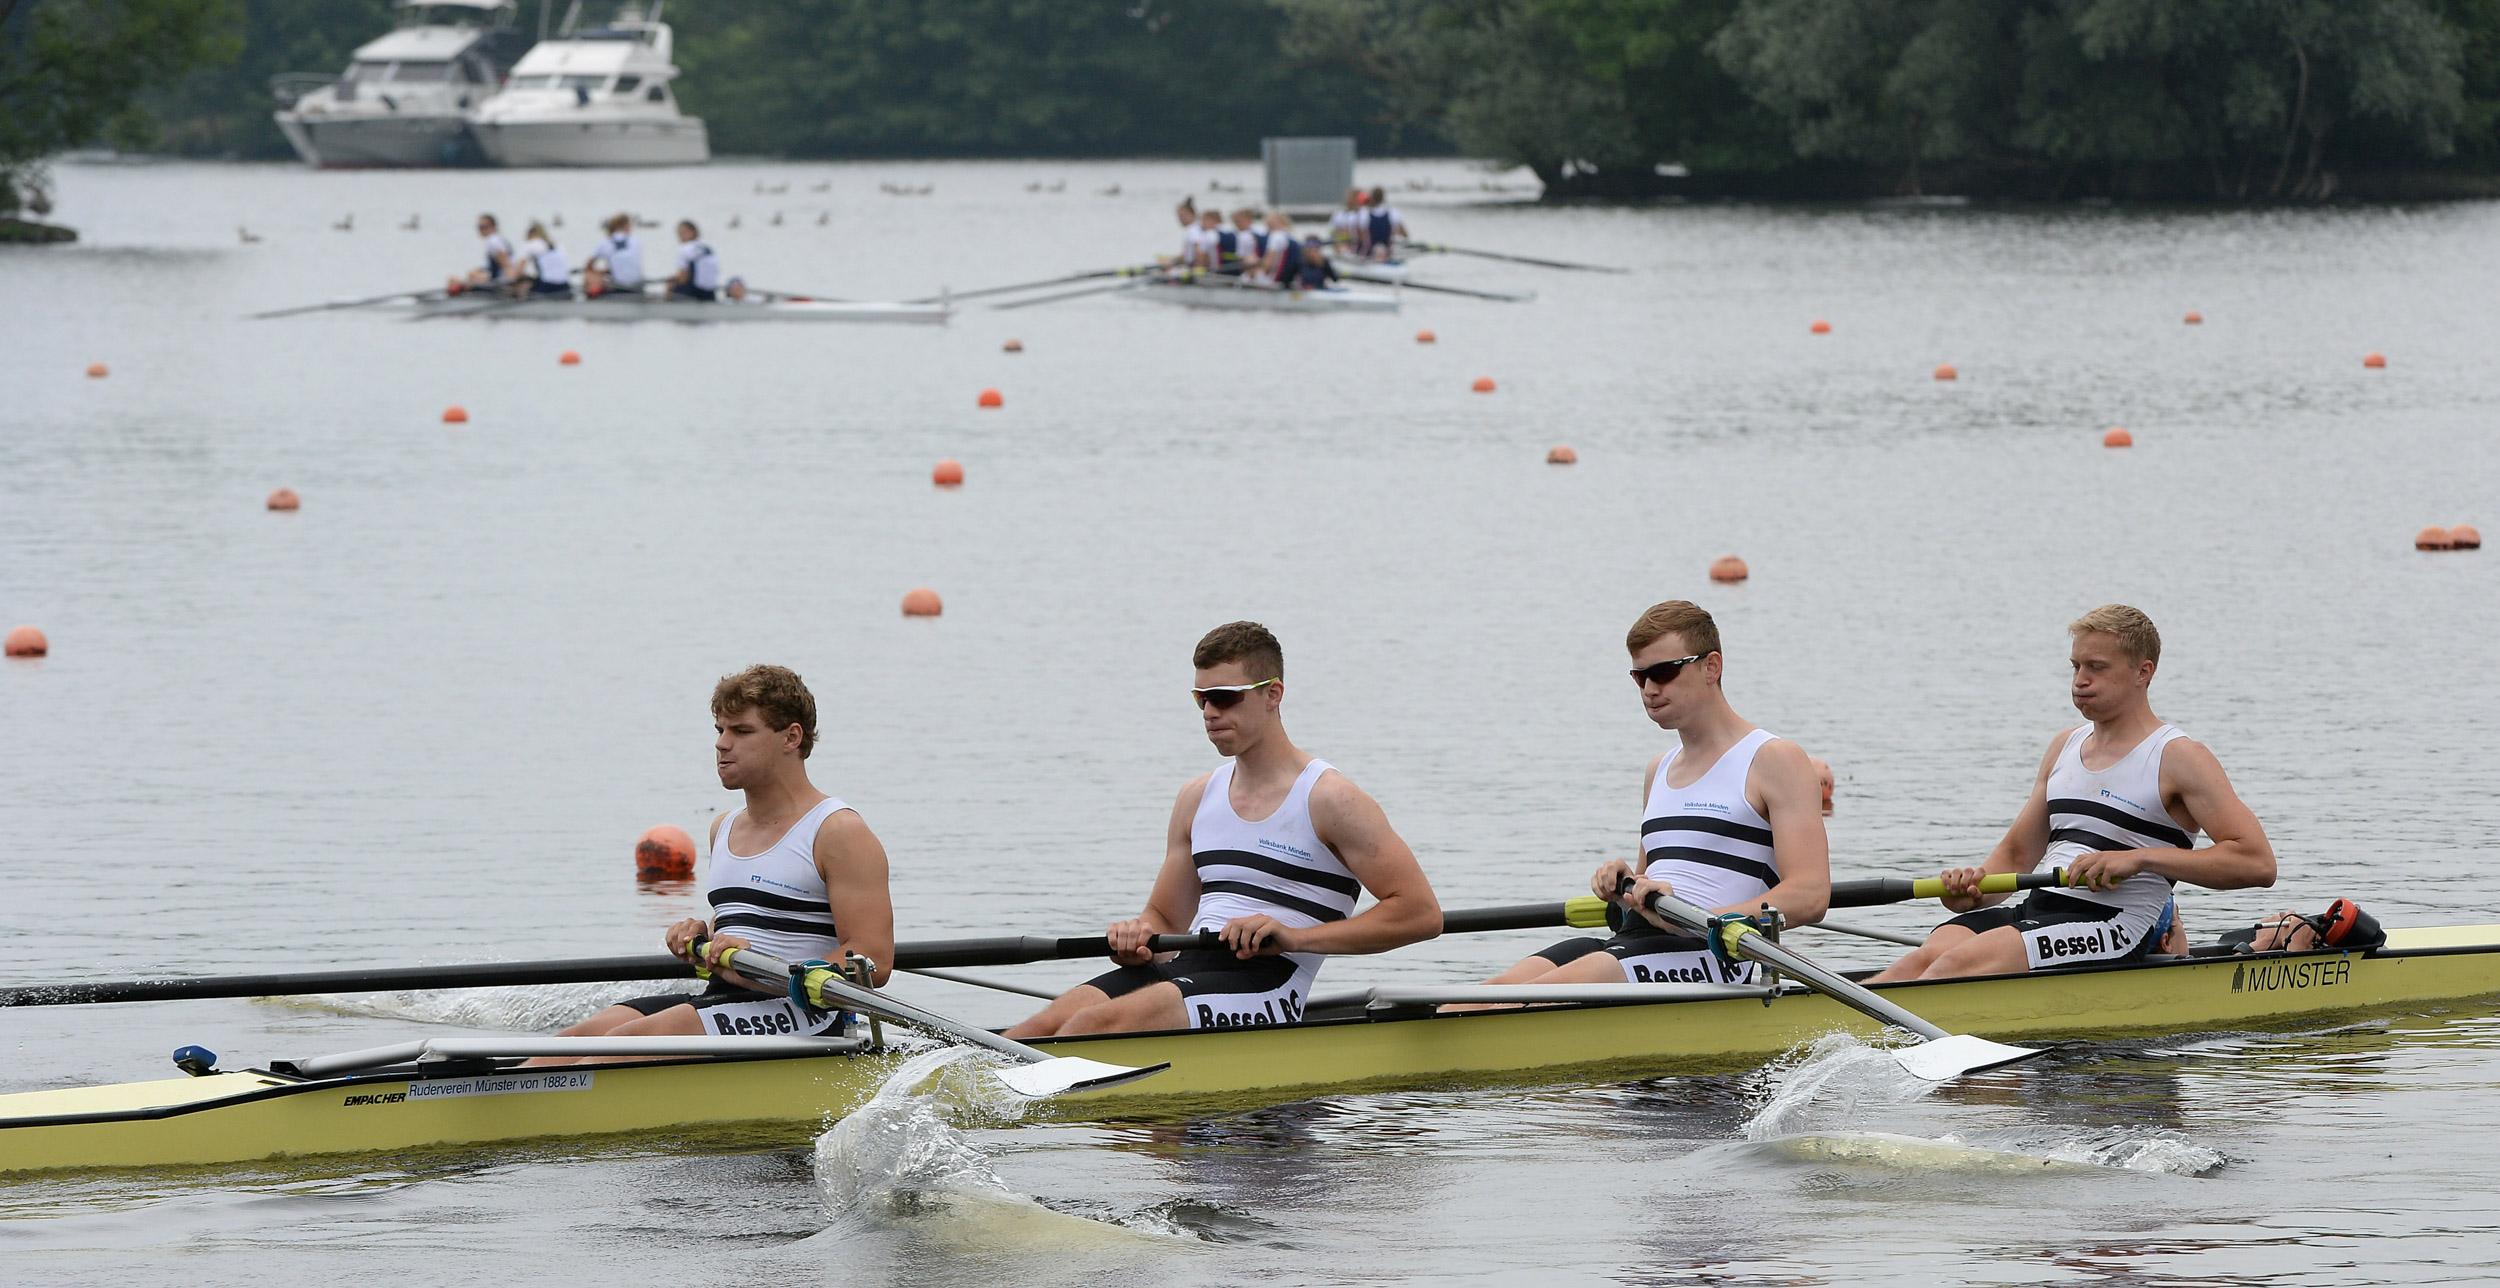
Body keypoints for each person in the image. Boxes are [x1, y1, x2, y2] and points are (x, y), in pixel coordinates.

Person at [1004, 622, 1440, 1037]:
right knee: (1030, 1033)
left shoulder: (1331, 800)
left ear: (1273, 694)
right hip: (1190, 966)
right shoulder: (1197, 798)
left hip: (1271, 980)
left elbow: (1420, 913)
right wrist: (1137, 936)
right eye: (1202, 699)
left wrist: (1295, 937)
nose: (1211, 712)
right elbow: (1166, 920)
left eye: (1225, 697)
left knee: (1088, 1029)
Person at [1866, 605, 2275, 983]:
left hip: (2115, 924)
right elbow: (2013, 859)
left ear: (2143, 672)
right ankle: (1825, 1040)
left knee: (1954, 967)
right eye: (2076, 666)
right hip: (2039, 910)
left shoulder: (2179, 757)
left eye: (2097, 667)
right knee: (1922, 960)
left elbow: (2257, 863)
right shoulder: (2064, 746)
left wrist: (2139, 858)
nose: (2080, 680)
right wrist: (1972, 891)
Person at [1460, 601, 1830, 1001]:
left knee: (1533, 995)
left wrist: (1697, 919)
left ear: (1711, 667)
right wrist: (1624, 887)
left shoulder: (1775, 759)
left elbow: (1810, 895)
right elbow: (1646, 894)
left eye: (1664, 673)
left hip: (1717, 953)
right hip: (1641, 941)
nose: (1651, 689)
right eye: (1639, 677)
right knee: (1486, 993)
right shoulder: (1659, 770)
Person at [526, 666, 895, 1065]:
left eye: (741, 731)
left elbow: (873, 961)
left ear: (791, 737)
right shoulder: (724, 827)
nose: (722, 744)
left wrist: (771, 970)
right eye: (719, 730)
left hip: (808, 1015)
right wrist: (703, 937)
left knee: (618, 1048)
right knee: (569, 1045)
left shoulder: (838, 831)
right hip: (725, 997)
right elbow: (752, 923)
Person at [451, 213, 514, 292]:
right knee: (472, 273)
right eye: (479, 227)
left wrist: (510, 284)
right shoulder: (499, 239)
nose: (482, 230)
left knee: (454, 279)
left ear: (494, 226)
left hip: (496, 283)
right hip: (496, 278)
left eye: (485, 227)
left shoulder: (493, 240)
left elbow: (506, 264)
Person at [583, 213, 643, 296]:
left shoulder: (605, 242)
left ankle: (589, 304)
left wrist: (601, 272)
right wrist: (608, 270)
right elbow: (625, 261)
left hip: (618, 288)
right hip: (638, 287)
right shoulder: (636, 241)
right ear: (626, 226)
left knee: (589, 274)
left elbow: (588, 266)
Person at [669, 220, 721, 301]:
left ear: (694, 232)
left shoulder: (685, 248)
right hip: (710, 293)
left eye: (683, 232)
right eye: (679, 233)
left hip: (693, 293)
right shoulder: (707, 247)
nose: (680, 236)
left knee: (671, 285)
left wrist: (670, 284)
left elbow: (683, 278)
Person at [516, 220, 570, 296]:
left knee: (523, 287)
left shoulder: (531, 243)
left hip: (547, 286)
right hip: (565, 286)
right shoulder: (558, 245)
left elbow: (519, 271)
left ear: (530, 235)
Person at [1363, 187, 1407, 261]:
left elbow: (1360, 235)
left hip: (1369, 253)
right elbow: (1405, 234)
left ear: (1371, 198)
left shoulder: (1364, 214)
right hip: (1387, 251)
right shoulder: (1393, 213)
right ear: (1383, 198)